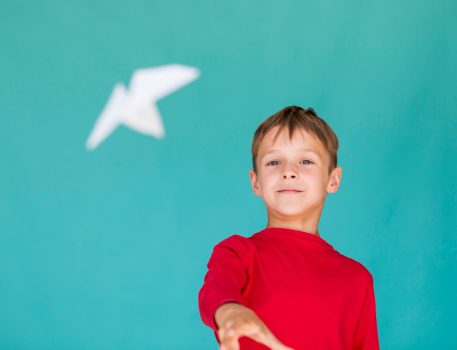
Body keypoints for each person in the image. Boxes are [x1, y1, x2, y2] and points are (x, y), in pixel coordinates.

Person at [198, 106, 380, 350]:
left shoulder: (358, 280)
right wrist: (230, 311)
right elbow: (216, 290)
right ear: (256, 182)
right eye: (274, 162)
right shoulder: (238, 252)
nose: (289, 172)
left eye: (306, 161)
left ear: (333, 179)